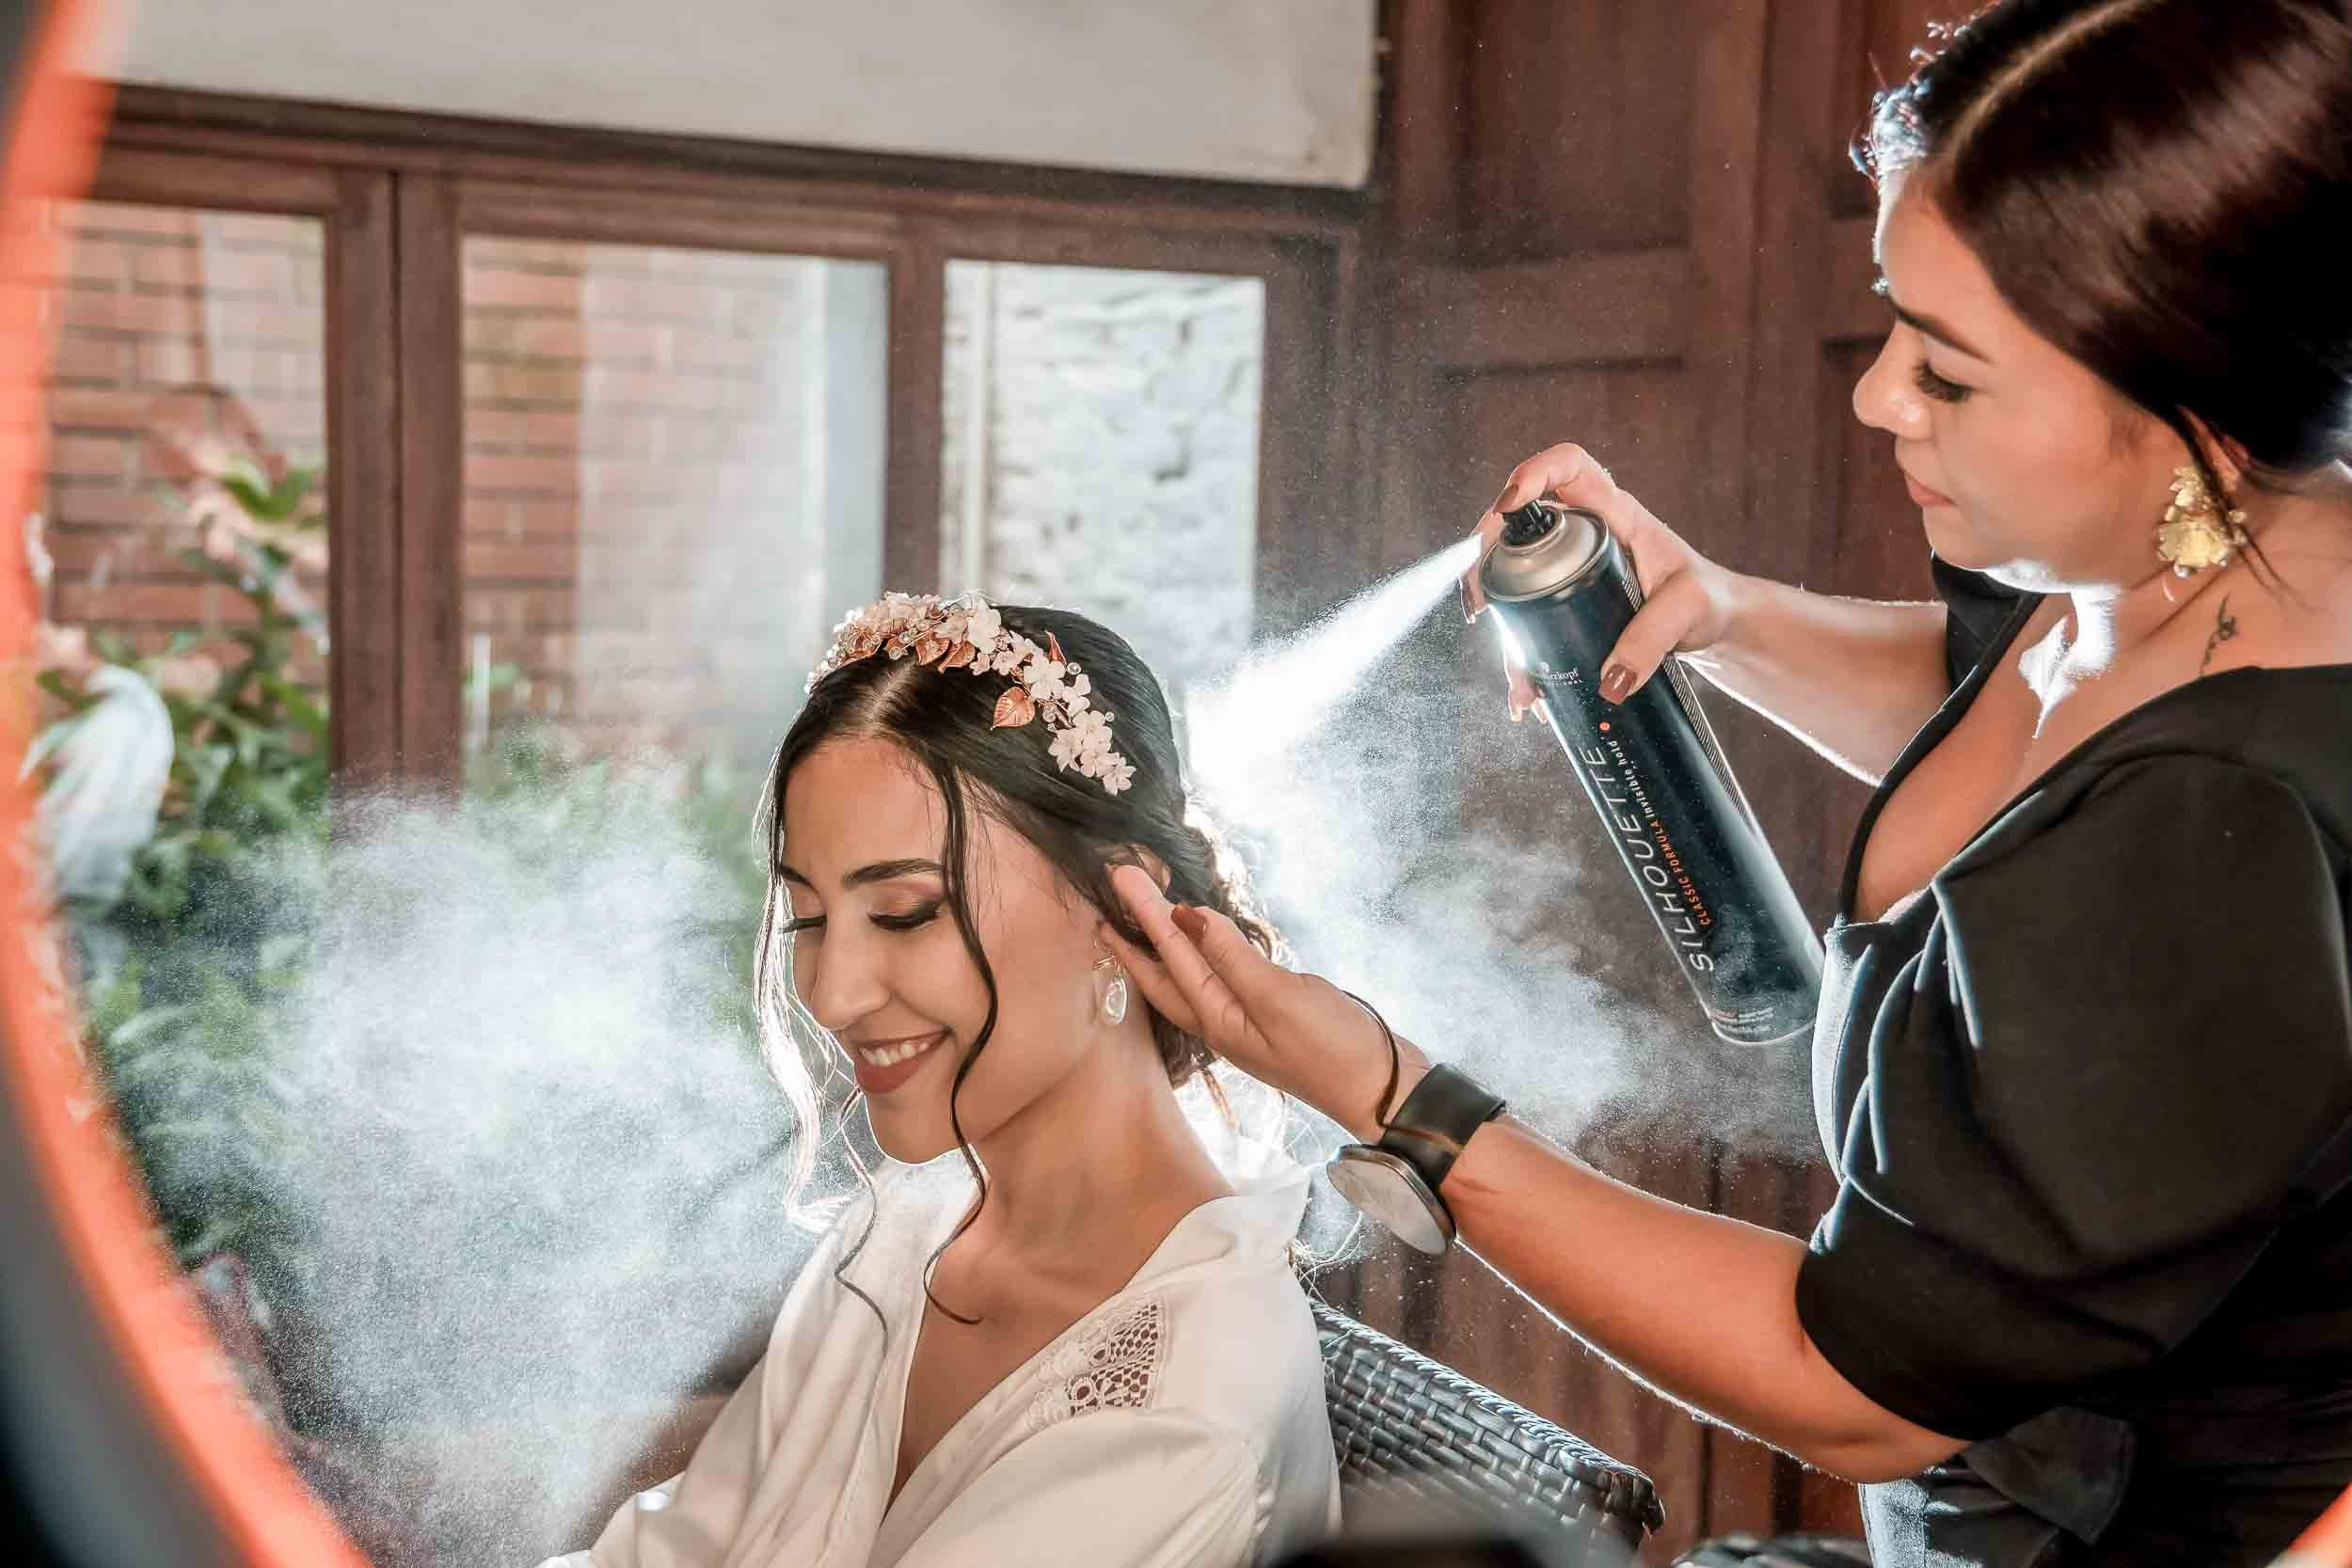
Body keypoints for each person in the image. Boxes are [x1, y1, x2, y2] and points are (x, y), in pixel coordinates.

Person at [1102, 3, 2352, 1565]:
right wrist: (1722, 612)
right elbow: (2010, 706)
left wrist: (1397, 1096)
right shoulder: (2163, 558)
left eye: (1949, 375)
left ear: (2198, 418)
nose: (1878, 396)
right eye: (1894, 322)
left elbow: (1857, 1383)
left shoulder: (2227, 833)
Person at [545, 594, 1340, 1568]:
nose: (831, 994)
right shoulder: (900, 1233)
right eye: (807, 920)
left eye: (907, 911)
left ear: (1118, 905)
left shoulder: (1182, 1413)